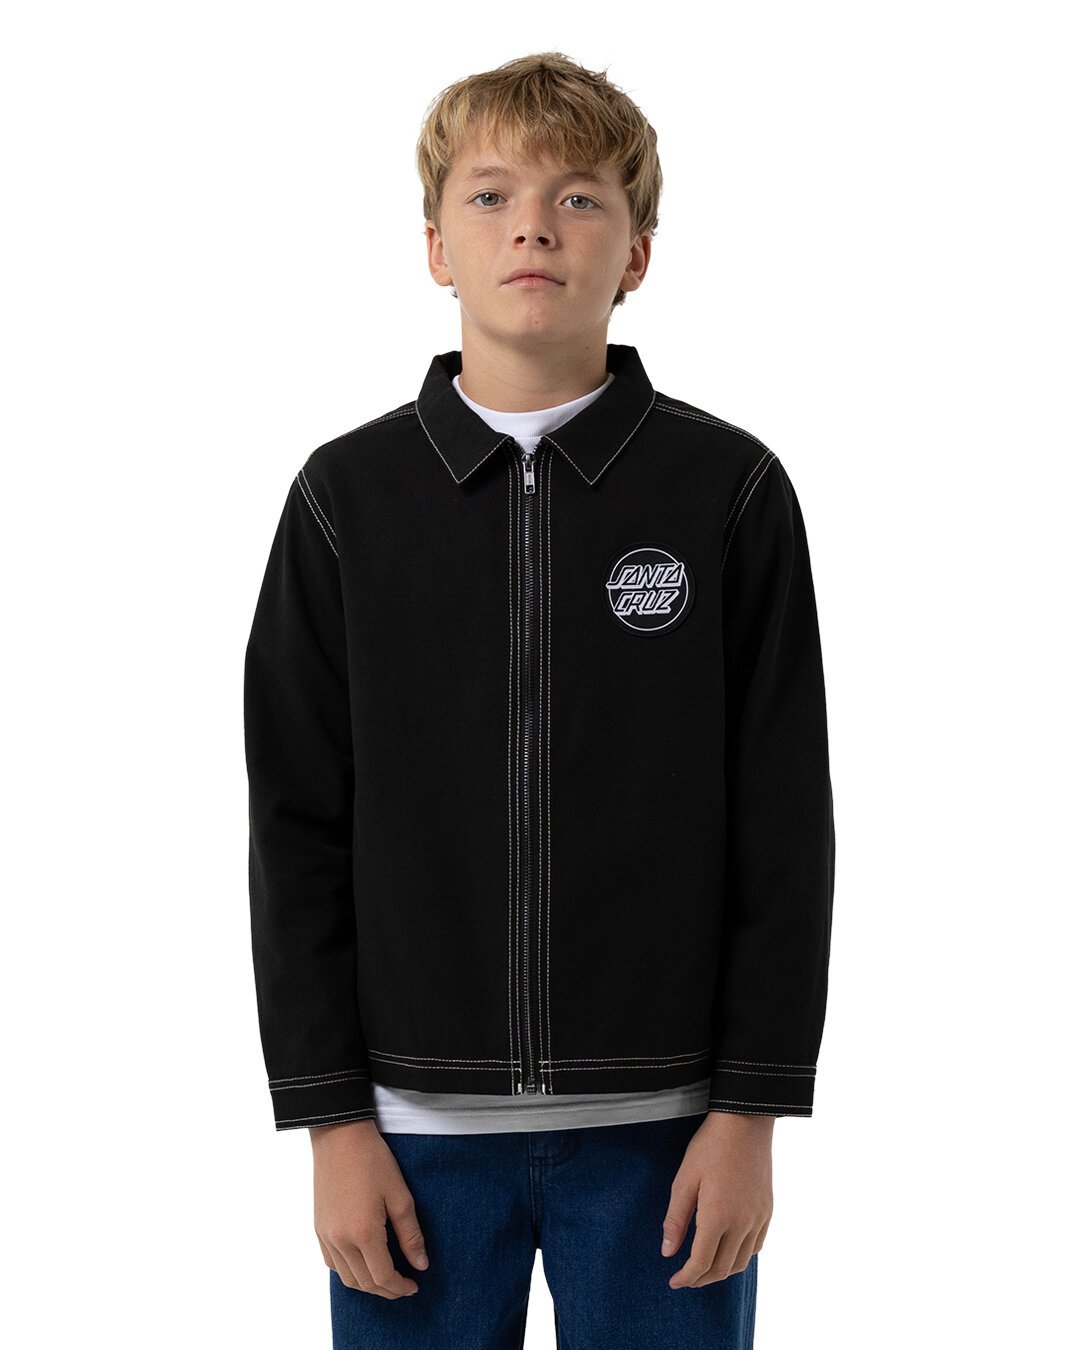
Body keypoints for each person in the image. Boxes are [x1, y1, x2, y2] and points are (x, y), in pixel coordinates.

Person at [243, 50, 835, 1350]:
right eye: (491, 194)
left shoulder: (727, 493)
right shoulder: (347, 503)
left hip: (667, 1138)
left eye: (579, 198)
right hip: (410, 1143)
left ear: (637, 254)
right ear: (435, 247)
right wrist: (332, 1120)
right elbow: (294, 827)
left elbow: (785, 822)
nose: (533, 226)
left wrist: (749, 1111)